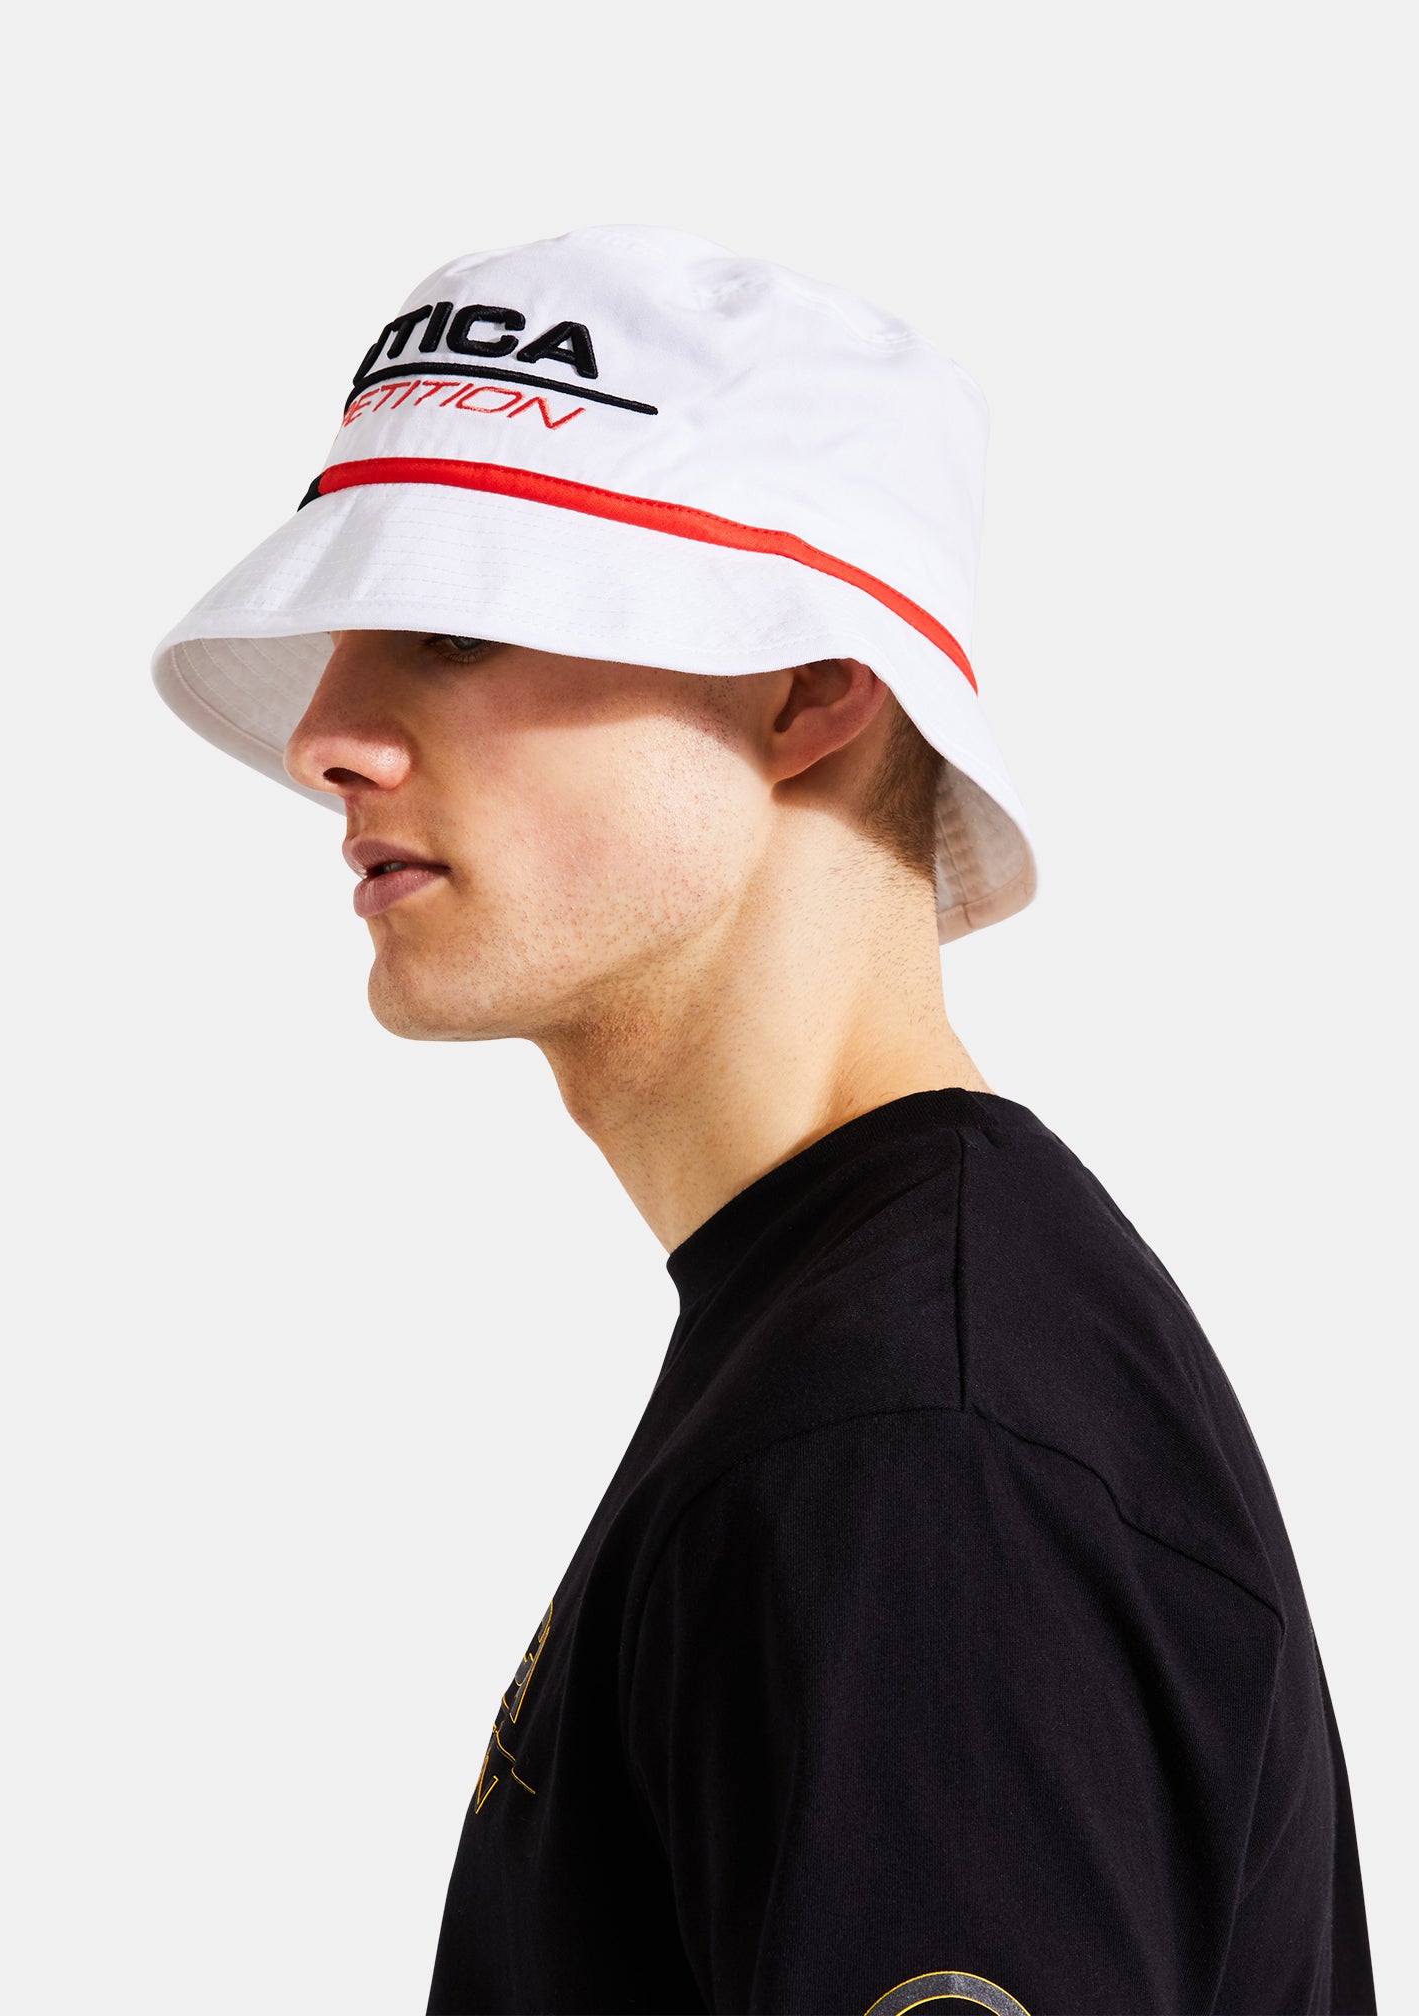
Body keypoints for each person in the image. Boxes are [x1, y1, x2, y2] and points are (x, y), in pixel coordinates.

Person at [151, 225, 1375, 2016]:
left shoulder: (913, 1461)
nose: (324, 733)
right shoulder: (876, 1365)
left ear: (811, 690)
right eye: (345, 639)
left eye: (456, 627)